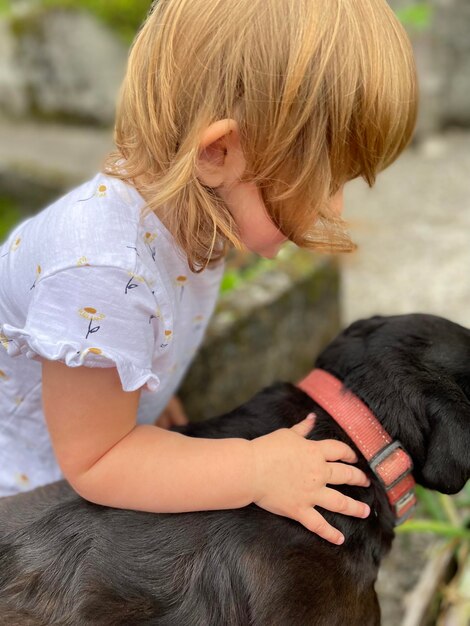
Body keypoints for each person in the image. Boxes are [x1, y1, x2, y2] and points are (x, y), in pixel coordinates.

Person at [0, 0, 417, 546]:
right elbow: (97, 461)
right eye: (328, 177)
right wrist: (255, 469)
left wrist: (128, 384)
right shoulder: (101, 270)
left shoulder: (195, 217)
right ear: (219, 151)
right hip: (21, 508)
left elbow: (113, 341)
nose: (334, 207)